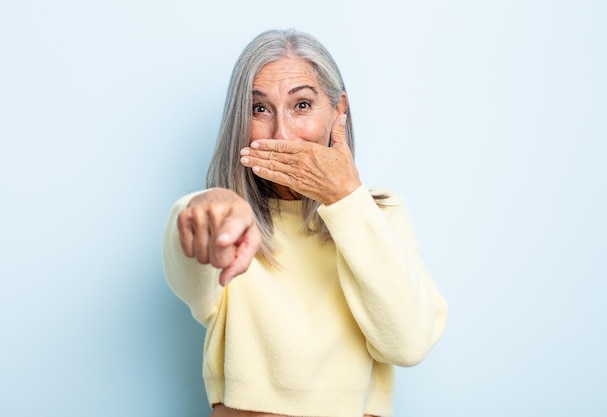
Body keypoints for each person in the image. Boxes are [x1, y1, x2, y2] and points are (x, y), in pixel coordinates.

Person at [162, 29, 448, 417]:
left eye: (301, 105)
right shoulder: (229, 222)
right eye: (259, 109)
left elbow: (407, 344)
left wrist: (346, 196)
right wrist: (206, 208)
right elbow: (191, 256)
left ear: (338, 110)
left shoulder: (381, 214)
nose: (282, 133)